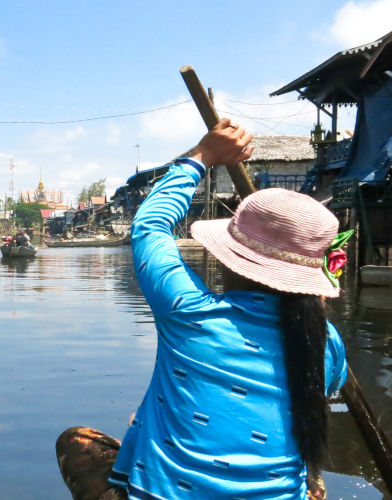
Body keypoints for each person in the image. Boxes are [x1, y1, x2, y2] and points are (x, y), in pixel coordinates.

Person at [57, 119, 348, 500]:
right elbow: (330, 385)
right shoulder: (326, 344)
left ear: (230, 261)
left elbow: (149, 227)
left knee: (76, 441)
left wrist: (201, 157)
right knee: (310, 474)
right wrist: (313, 307)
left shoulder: (190, 314)